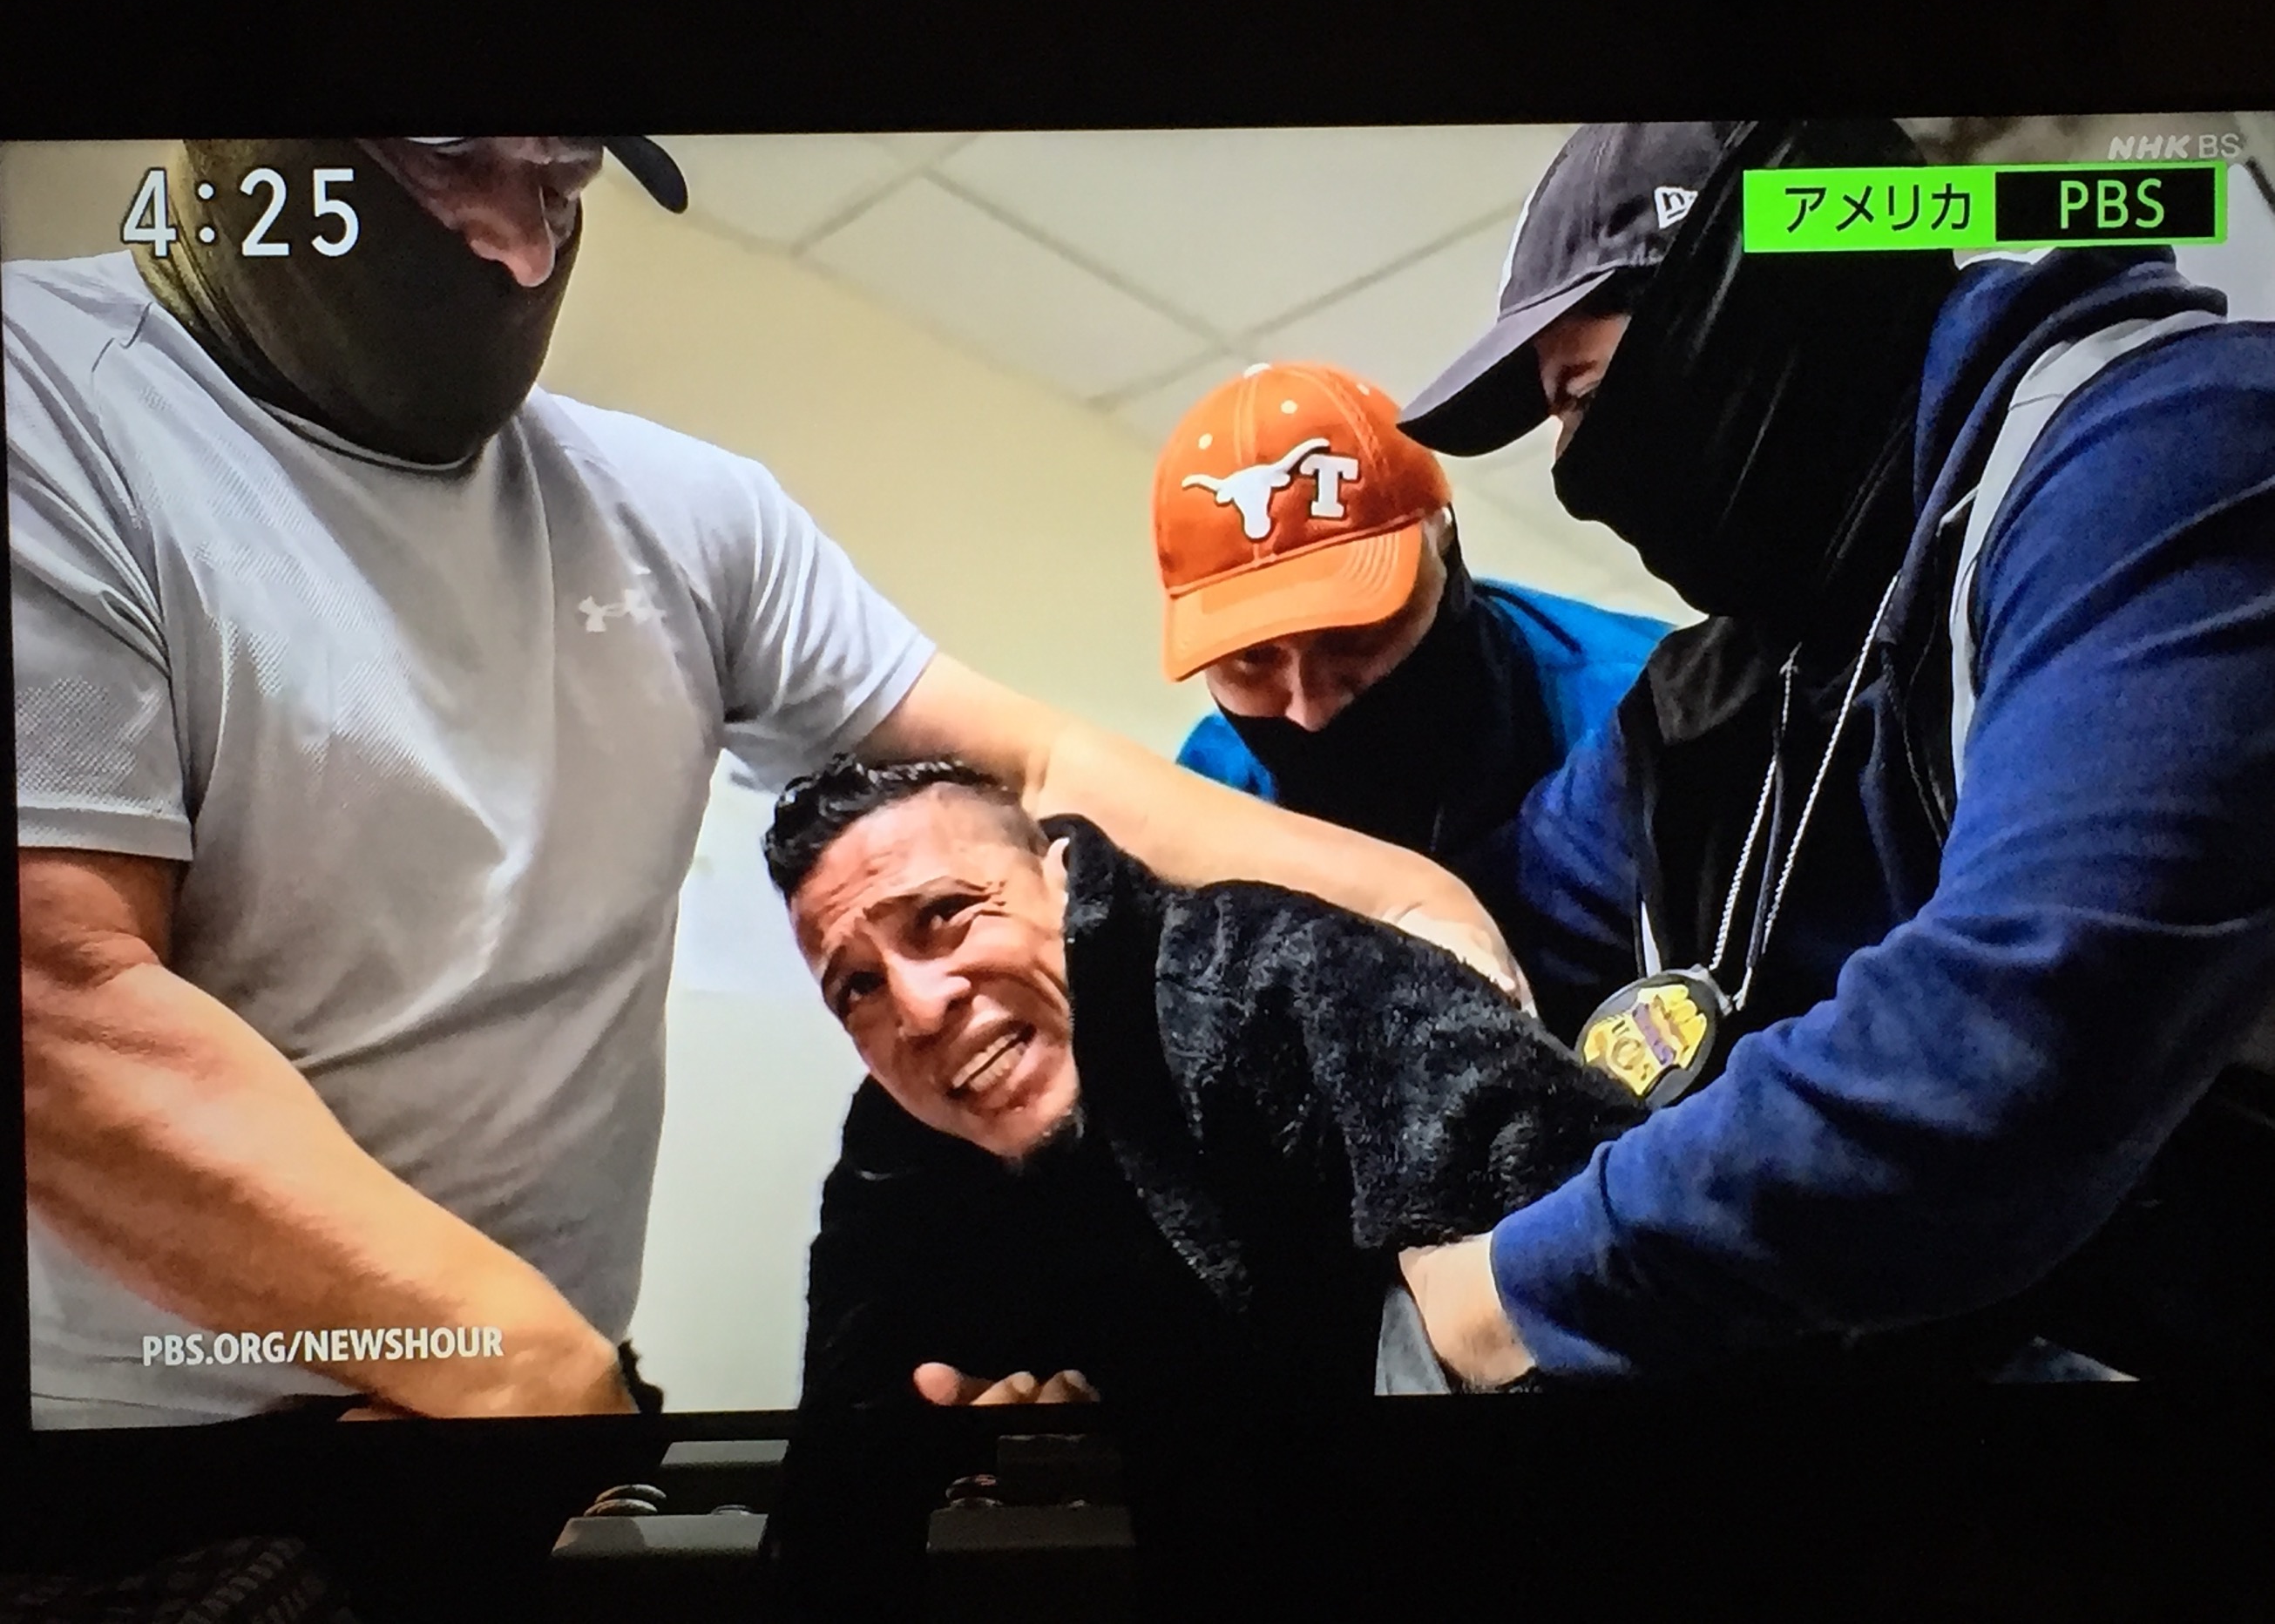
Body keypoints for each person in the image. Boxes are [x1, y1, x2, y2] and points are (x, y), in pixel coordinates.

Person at [8, 136, 1519, 1429]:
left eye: (561, 182)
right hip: (167, 1453)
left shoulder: (679, 513)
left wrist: (1410, 909)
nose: (521, 246)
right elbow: (58, 1009)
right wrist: (518, 1368)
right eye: (456, 165)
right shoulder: (51, 404)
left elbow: (1036, 764)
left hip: (550, 1397)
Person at [1389, 118, 2275, 1386]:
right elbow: (1467, 925)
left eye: (1579, 395)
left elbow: (2009, 1045)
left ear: (1749, 297)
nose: (1574, 471)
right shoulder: (1728, 690)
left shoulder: (2175, 451)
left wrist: (1509, 1295)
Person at [766, 756, 1642, 1411]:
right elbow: (835, 1491)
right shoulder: (896, 1161)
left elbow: (1621, 1277)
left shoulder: (1286, 981)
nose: (919, 1009)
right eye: (857, 987)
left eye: (944, 914)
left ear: (1062, 879)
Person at [1158, 360, 1664, 910]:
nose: (1309, 710)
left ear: (1443, 542)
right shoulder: (1216, 785)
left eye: (1351, 636)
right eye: (1253, 658)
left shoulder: (1651, 714)